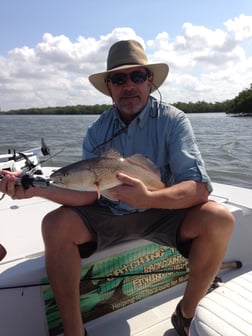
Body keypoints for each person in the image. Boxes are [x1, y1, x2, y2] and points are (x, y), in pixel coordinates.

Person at [0, 40, 234, 336]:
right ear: (109, 87)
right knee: (55, 224)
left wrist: (149, 197)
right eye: (119, 79)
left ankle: (185, 314)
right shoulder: (96, 131)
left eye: (137, 77)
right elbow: (87, 193)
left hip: (161, 212)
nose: (129, 85)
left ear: (149, 81)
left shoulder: (174, 121)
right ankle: (75, 332)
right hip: (108, 213)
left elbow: (199, 189)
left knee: (220, 218)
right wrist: (38, 189)